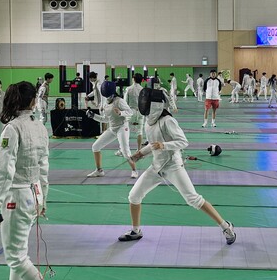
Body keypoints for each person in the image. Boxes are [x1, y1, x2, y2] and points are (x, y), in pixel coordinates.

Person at [118, 87, 236, 245]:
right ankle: (136, 230)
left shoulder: (168, 121)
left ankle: (226, 226)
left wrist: (164, 145)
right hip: (156, 167)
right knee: (134, 196)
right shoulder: (148, 122)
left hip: (173, 166)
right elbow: (153, 144)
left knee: (193, 199)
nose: (144, 104)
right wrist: (141, 153)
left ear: (155, 105)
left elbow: (183, 142)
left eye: (147, 102)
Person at [0, 81, 59, 280]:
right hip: (34, 192)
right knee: (19, 254)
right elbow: (44, 165)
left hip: (17, 197)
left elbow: (4, 171)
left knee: (16, 258)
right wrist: (43, 197)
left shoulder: (13, 128)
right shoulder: (39, 126)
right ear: (32, 101)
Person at [86, 81, 138, 178]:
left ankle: (134, 171)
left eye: (109, 96)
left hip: (122, 127)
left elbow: (130, 112)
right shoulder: (105, 103)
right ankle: (99, 170)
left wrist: (121, 113)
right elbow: (105, 119)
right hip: (112, 128)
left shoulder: (119, 101)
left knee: (125, 152)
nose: (108, 98)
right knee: (95, 146)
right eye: (106, 96)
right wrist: (93, 116)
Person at [123, 73, 145, 151]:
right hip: (140, 112)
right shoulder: (143, 89)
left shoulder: (128, 89)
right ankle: (139, 149)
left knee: (125, 130)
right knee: (140, 131)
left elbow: (125, 103)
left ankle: (124, 150)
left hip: (130, 111)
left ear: (133, 79)